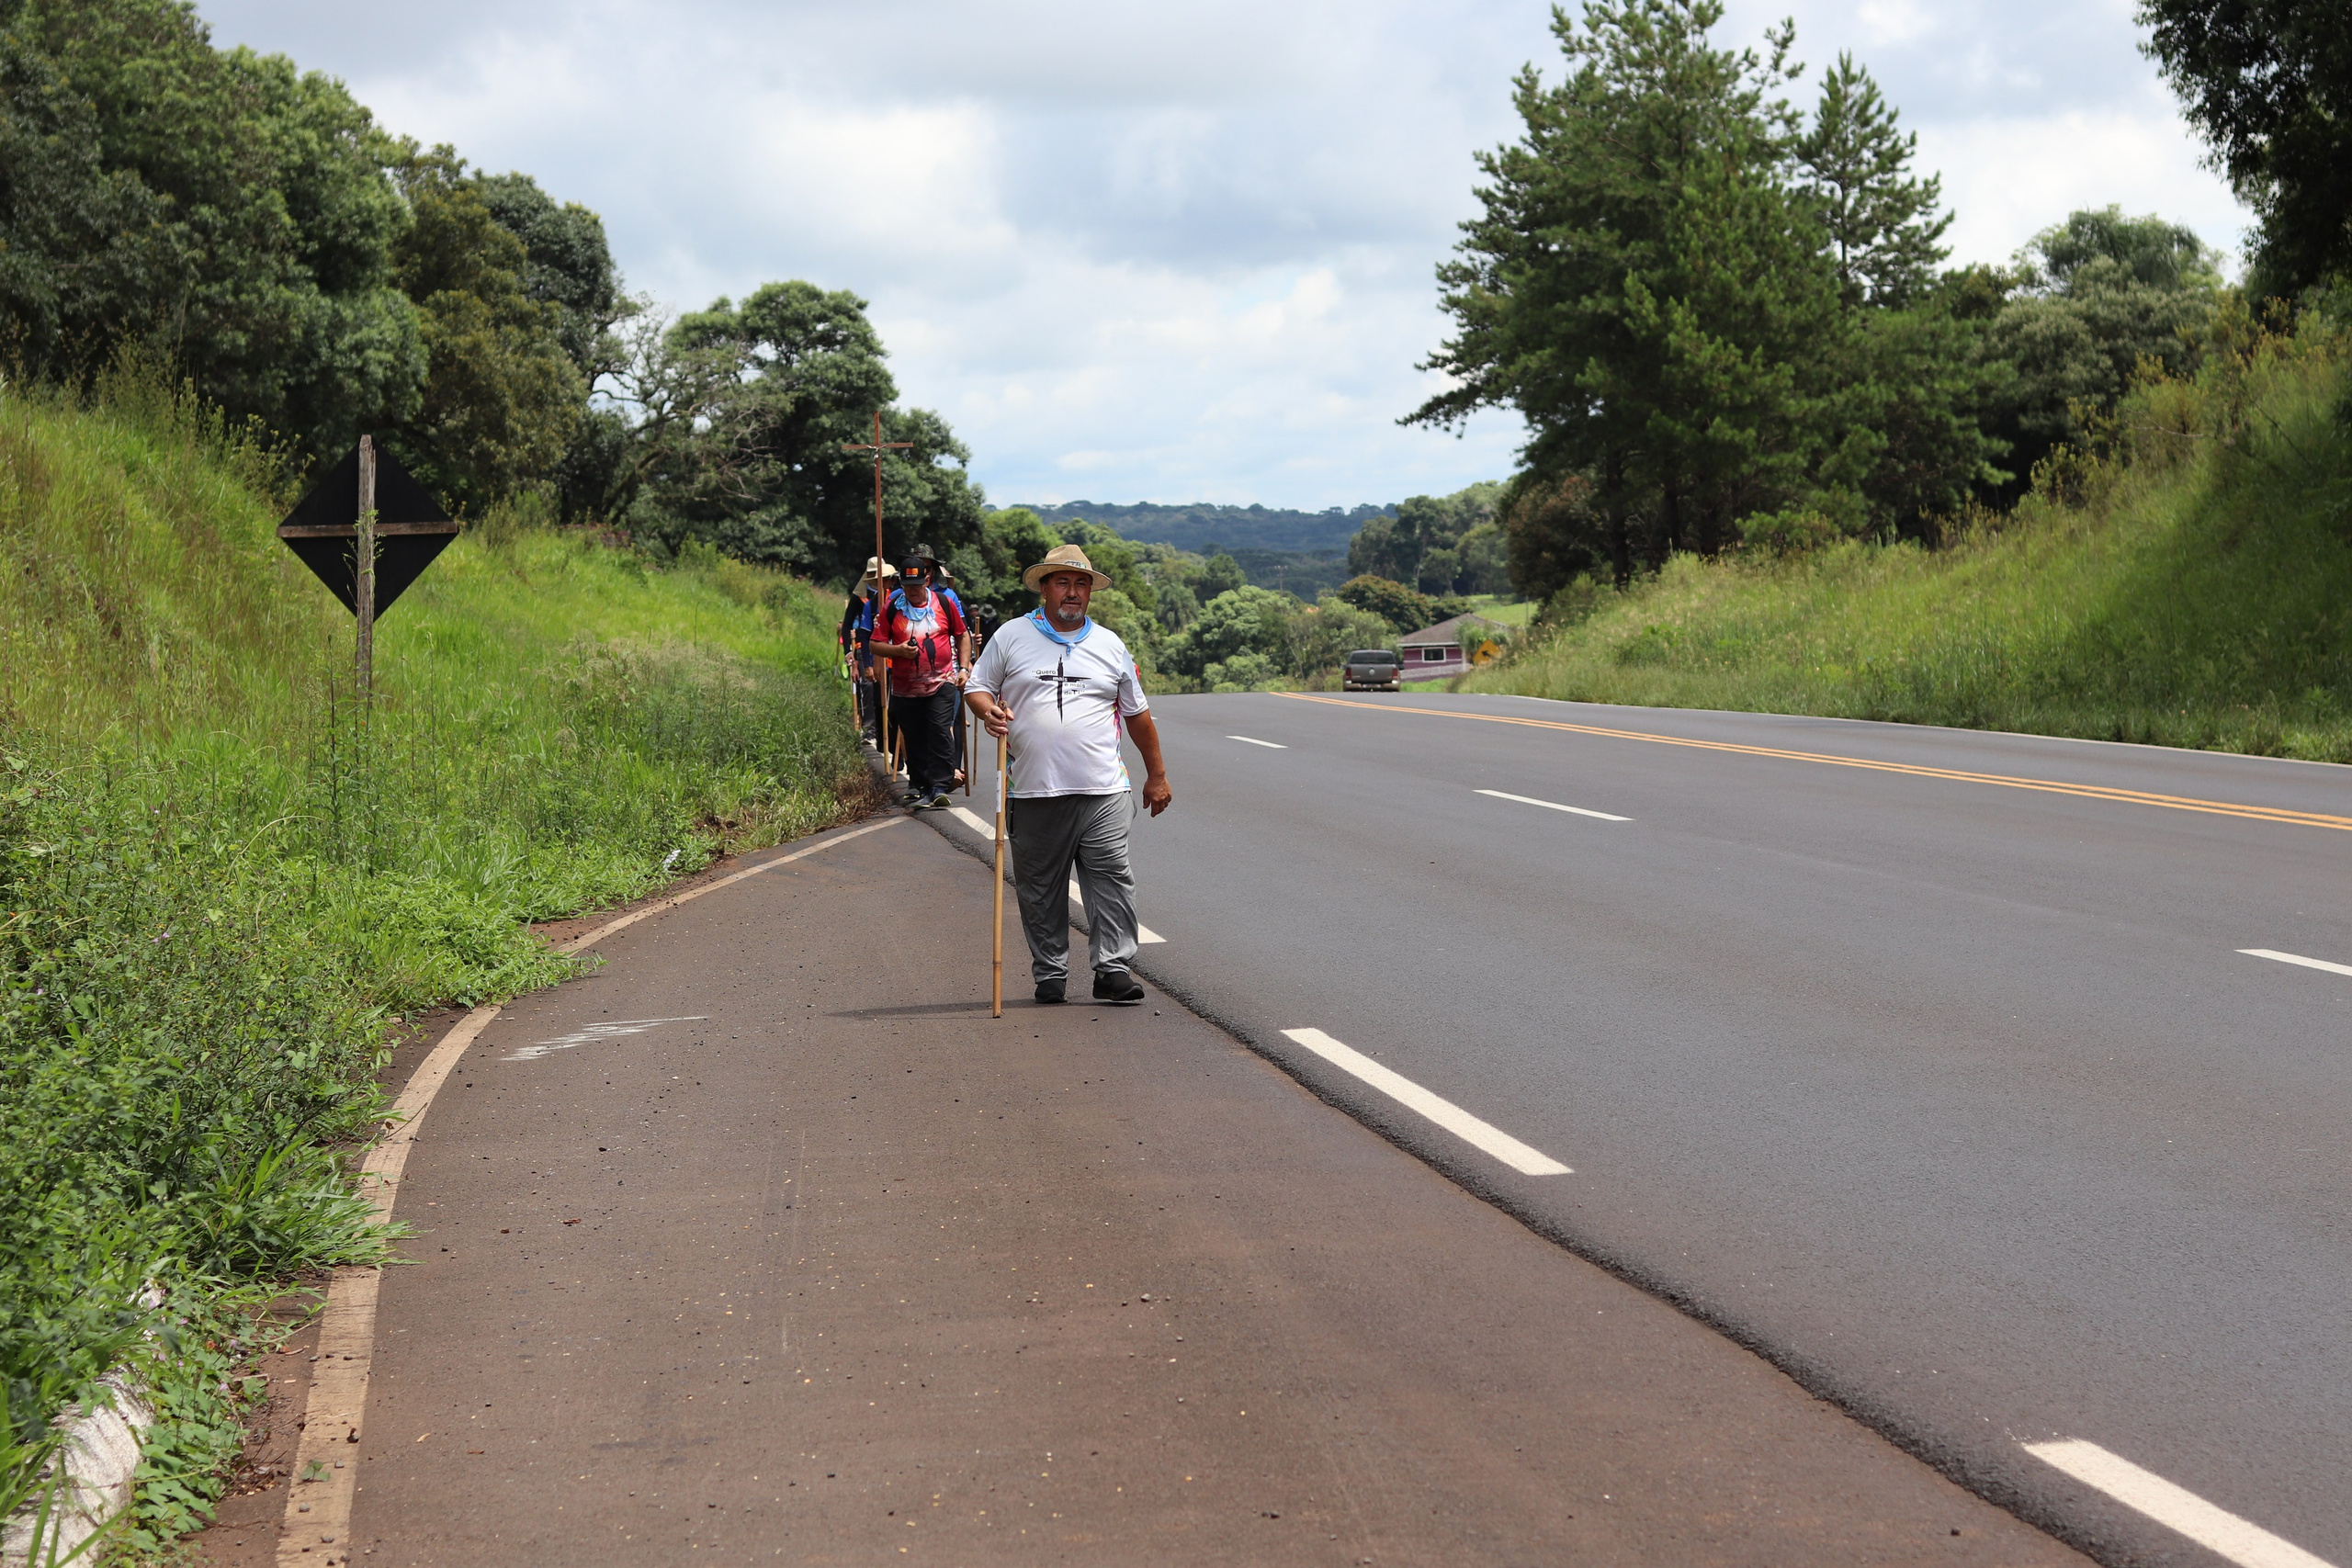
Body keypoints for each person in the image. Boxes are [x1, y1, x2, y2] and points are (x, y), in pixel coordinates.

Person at [966, 543, 1173, 1006]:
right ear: (1045, 588)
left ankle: (1113, 969)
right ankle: (1050, 972)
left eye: (1082, 584)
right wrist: (987, 711)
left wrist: (1156, 775)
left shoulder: (1110, 645)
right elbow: (978, 688)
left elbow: (1137, 714)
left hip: (1103, 789)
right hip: (1033, 790)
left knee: (1112, 876)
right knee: (1040, 888)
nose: (1073, 592)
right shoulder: (1011, 636)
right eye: (1063, 582)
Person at [867, 553, 970, 808]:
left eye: (916, 585)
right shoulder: (892, 608)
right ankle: (922, 786)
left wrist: (964, 668)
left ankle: (939, 786)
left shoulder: (944, 603)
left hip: (941, 681)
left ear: (926, 580)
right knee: (914, 737)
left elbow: (962, 635)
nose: (912, 591)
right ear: (901, 584)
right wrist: (898, 651)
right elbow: (875, 644)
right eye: (907, 586)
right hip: (906, 688)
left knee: (939, 730)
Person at [841, 558, 896, 748]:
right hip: (868, 649)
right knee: (870, 687)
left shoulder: (897, 597)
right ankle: (872, 728)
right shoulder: (863, 600)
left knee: (894, 695)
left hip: (893, 651)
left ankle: (893, 735)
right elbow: (849, 625)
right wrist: (848, 652)